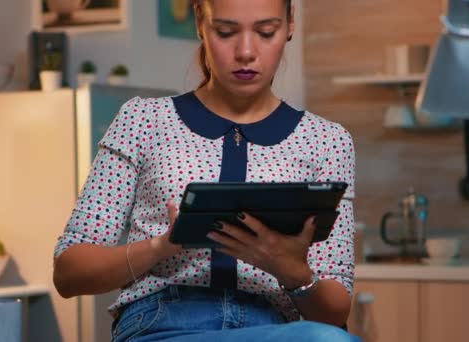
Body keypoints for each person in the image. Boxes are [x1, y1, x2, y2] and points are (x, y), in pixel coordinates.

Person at [53, 0, 357, 341]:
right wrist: (159, 248)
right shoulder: (142, 120)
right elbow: (69, 272)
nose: (245, 51)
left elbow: (335, 311)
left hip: (274, 330)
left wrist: (291, 270)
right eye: (225, 32)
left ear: (289, 26)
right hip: (162, 325)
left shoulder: (327, 141)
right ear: (200, 21)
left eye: (265, 32)